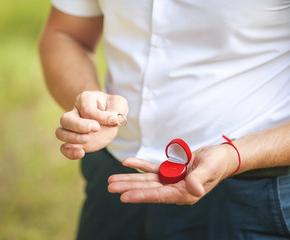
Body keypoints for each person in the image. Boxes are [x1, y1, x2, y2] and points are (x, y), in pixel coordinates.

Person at [38, 1, 290, 239]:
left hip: (251, 195)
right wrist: (88, 100)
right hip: (114, 175)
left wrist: (235, 156)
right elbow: (65, 35)